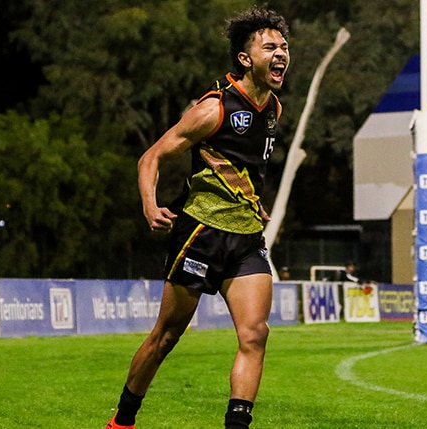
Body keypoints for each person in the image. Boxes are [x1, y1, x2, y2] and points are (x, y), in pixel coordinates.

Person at [105, 6, 290, 429]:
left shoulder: (274, 109)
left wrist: (253, 201)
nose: (280, 53)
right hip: (200, 234)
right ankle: (123, 420)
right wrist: (150, 207)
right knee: (166, 337)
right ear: (246, 59)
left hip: (246, 239)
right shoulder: (213, 109)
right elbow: (150, 157)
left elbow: (240, 168)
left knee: (255, 334)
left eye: (284, 46)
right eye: (269, 47)